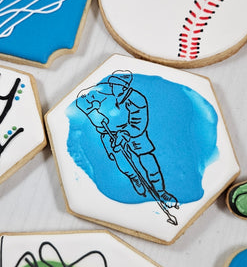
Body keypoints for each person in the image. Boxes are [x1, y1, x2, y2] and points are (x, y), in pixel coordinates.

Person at [76, 70, 178, 209]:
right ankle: (135, 178)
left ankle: (161, 192)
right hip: (111, 135)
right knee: (123, 163)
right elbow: (82, 100)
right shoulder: (105, 94)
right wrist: (92, 111)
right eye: (111, 84)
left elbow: (138, 123)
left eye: (115, 85)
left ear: (123, 86)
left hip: (134, 135)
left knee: (150, 164)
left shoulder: (137, 100)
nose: (111, 88)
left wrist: (124, 134)